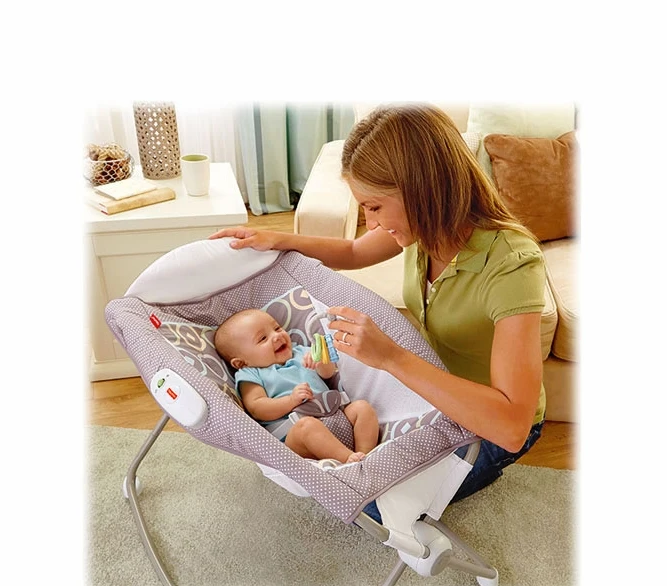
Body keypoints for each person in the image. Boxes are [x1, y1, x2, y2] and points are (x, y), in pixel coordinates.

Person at [211, 104, 546, 519]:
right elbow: (353, 251)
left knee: (368, 505)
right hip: (435, 392)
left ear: (420, 190)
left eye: (374, 207)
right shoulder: (423, 228)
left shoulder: (512, 265)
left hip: (490, 426)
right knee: (350, 483)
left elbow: (512, 426)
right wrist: (276, 240)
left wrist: (389, 356)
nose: (370, 223)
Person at [214, 308, 380, 465]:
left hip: (335, 415)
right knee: (307, 426)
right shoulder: (250, 373)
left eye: (277, 328)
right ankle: (349, 461)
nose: (277, 336)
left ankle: (365, 456)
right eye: (262, 339)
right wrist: (291, 400)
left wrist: (321, 362)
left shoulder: (302, 352)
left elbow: (328, 374)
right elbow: (257, 408)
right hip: (297, 433)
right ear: (242, 363)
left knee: (362, 408)